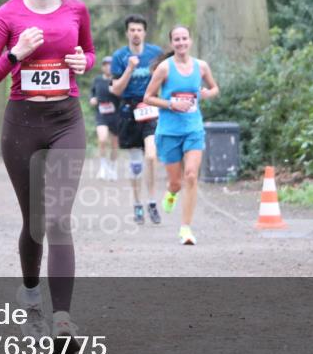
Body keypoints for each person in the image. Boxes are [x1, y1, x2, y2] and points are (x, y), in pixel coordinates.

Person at [0, 0, 94, 353]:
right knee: (35, 222)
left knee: (58, 219)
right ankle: (29, 297)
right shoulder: (6, 16)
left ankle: (62, 322)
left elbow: (89, 55)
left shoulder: (76, 8)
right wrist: (16, 54)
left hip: (66, 121)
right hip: (22, 124)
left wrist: (84, 63)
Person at [143, 25, 219, 245]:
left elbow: (215, 88)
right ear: (171, 43)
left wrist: (207, 93)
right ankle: (171, 192)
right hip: (168, 132)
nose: (181, 42)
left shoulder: (201, 66)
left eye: (184, 38)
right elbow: (148, 97)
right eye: (176, 39)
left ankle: (185, 228)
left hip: (194, 128)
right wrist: (170, 104)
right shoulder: (164, 69)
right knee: (176, 183)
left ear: (190, 41)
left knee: (192, 175)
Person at [110, 15, 163, 225]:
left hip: (149, 108)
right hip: (128, 110)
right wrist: (130, 69)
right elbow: (116, 89)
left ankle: (152, 201)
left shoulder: (155, 54)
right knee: (135, 164)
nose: (135, 33)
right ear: (127, 33)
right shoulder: (119, 56)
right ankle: (137, 203)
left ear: (144, 32)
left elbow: (165, 78)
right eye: (132, 30)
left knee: (151, 156)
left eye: (139, 30)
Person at [88, 56, 119, 180]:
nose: (108, 66)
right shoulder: (97, 80)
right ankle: (102, 167)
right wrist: (92, 99)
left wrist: (116, 91)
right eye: (105, 64)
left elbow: (123, 94)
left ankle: (112, 167)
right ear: (102, 67)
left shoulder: (117, 80)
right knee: (102, 139)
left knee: (114, 144)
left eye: (110, 64)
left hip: (116, 116)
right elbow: (92, 92)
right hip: (101, 114)